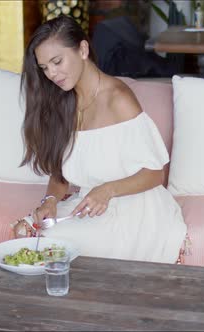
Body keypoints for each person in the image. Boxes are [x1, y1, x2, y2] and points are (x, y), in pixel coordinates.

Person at [19, 15, 187, 264]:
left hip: (132, 207)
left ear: (83, 49)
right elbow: (59, 175)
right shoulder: (62, 101)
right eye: (44, 68)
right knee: (24, 232)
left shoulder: (118, 98)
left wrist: (107, 191)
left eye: (57, 62)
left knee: (45, 248)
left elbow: (155, 174)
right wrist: (50, 200)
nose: (52, 74)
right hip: (91, 206)